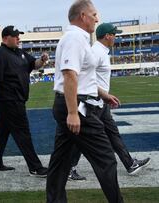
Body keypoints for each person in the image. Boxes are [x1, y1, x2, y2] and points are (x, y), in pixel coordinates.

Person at [46, 1, 124, 202]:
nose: (97, 19)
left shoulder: (78, 38)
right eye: (94, 14)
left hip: (72, 103)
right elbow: (70, 75)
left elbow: (80, 77)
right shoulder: (75, 38)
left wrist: (102, 94)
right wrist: (73, 112)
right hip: (77, 106)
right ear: (83, 16)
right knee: (106, 159)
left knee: (61, 161)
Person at [69, 23, 151, 180]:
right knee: (81, 139)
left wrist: (105, 97)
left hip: (101, 103)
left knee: (113, 134)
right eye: (114, 34)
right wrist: (104, 95)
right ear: (107, 36)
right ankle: (68, 167)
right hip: (92, 104)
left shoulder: (101, 52)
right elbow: (83, 78)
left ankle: (129, 164)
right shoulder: (95, 53)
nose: (115, 37)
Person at [0, 25, 49, 177]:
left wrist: (42, 60)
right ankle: (35, 167)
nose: (18, 38)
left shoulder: (20, 52)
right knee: (23, 132)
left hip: (17, 98)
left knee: (3, 131)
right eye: (15, 36)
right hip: (8, 99)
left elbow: (34, 65)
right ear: (6, 38)